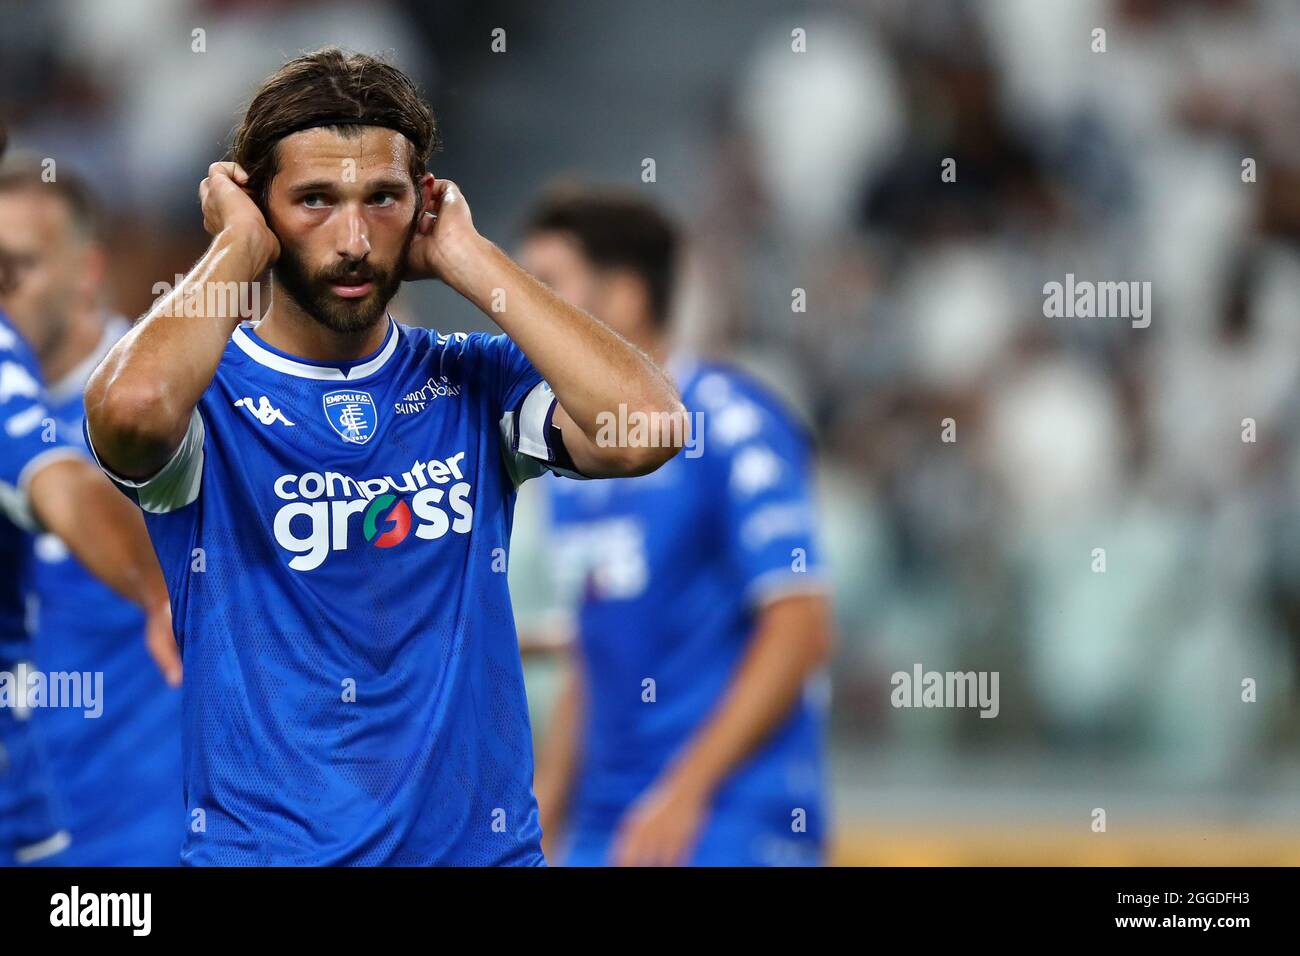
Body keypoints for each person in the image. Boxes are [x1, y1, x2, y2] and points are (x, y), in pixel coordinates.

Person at [82, 49, 685, 866]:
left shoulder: (475, 379)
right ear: (259, 210)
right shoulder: (207, 402)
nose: (356, 239)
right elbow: (131, 410)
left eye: (384, 199)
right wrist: (234, 250)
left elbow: (650, 426)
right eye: (315, 202)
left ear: (424, 203)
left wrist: (473, 261)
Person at [522, 188, 834, 866]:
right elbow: (596, 646)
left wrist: (686, 791)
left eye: (547, 285)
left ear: (627, 297)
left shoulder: (729, 423)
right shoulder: (567, 455)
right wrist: (547, 802)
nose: (521, 307)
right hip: (611, 822)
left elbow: (800, 622)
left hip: (727, 817)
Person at [0, 123, 177, 867]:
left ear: (86, 270)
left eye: (13, 272)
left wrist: (158, 594)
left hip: (151, 844)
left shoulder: (183, 407)